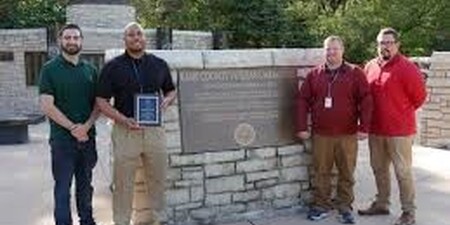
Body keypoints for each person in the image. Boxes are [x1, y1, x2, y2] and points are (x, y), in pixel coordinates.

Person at [96, 22, 176, 225]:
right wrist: (123, 119)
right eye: (131, 34)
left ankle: (160, 219)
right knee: (123, 183)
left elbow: (170, 90)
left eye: (139, 34)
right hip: (125, 132)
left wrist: (166, 102)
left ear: (144, 38)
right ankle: (121, 221)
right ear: (125, 39)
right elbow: (101, 101)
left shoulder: (159, 64)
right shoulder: (112, 67)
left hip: (154, 132)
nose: (135, 37)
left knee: (158, 178)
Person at [296, 35, 372, 224]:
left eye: (335, 49)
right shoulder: (315, 74)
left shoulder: (355, 73)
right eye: (328, 49)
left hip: (347, 134)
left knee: (346, 172)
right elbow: (302, 100)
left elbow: (367, 100)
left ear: (343, 50)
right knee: (321, 172)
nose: (331, 52)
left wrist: (364, 127)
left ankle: (345, 206)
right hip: (321, 134)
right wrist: (301, 126)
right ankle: (321, 205)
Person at [358, 28, 426, 225]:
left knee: (402, 172)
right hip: (376, 130)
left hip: (400, 132)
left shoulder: (407, 68)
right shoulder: (370, 66)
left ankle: (408, 213)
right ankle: (382, 203)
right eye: (381, 43)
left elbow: (419, 97)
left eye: (389, 43)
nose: (385, 46)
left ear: (397, 45)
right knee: (378, 169)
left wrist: (399, 112)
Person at [39, 23, 99, 225]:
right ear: (60, 41)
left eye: (75, 38)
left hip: (88, 140)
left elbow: (98, 105)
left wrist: (86, 127)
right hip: (62, 142)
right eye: (67, 38)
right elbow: (47, 106)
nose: (71, 41)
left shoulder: (90, 70)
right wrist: (74, 128)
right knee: (63, 188)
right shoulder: (49, 69)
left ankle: (87, 221)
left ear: (81, 41)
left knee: (86, 186)